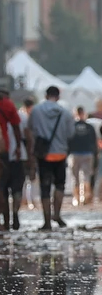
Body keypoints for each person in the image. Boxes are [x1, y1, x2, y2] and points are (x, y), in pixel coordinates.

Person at [27, 85, 70, 231]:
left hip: (43, 155)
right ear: (58, 96)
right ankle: (57, 214)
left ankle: (47, 221)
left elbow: (31, 129)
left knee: (45, 188)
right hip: (60, 154)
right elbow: (70, 134)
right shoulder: (65, 112)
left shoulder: (36, 111)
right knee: (60, 185)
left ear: (46, 95)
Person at [0, 87, 23, 230]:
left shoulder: (7, 104)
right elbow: (16, 127)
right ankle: (7, 222)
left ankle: (7, 223)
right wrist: (19, 147)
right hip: (3, 150)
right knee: (2, 188)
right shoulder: (7, 104)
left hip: (4, 150)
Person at [67, 106, 96, 206]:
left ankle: (76, 197)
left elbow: (68, 140)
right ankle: (85, 196)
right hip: (87, 153)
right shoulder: (89, 127)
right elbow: (94, 142)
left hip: (74, 154)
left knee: (75, 177)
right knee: (86, 176)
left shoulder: (72, 126)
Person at [19, 98, 37, 210]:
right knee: (31, 177)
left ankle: (25, 199)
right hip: (28, 150)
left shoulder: (20, 115)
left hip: (20, 151)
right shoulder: (28, 117)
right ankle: (30, 200)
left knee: (24, 178)